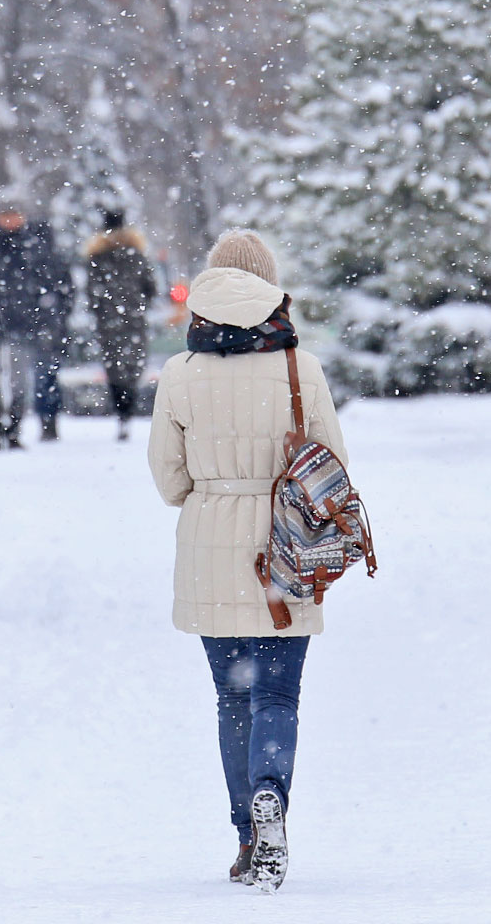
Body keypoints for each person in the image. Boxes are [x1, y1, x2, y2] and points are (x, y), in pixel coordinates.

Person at [148, 229, 347, 894]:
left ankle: (244, 835)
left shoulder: (180, 374)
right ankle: (271, 795)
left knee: (231, 698)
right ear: (269, 286)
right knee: (277, 694)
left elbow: (168, 481)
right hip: (286, 549)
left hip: (208, 544)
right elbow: (333, 469)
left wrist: (215, 487)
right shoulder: (300, 367)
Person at [0, 202, 74, 448]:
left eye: (15, 215)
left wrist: (47, 319)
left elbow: (51, 287)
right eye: (6, 215)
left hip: (23, 325)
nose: (11, 221)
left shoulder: (35, 248)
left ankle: (14, 428)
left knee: (18, 379)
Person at [84, 209, 158, 441]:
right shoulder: (137, 255)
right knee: (133, 368)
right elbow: (151, 288)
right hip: (134, 321)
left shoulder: (97, 258)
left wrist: (101, 310)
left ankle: (121, 411)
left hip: (108, 324)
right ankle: (128, 410)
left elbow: (91, 294)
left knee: (114, 369)